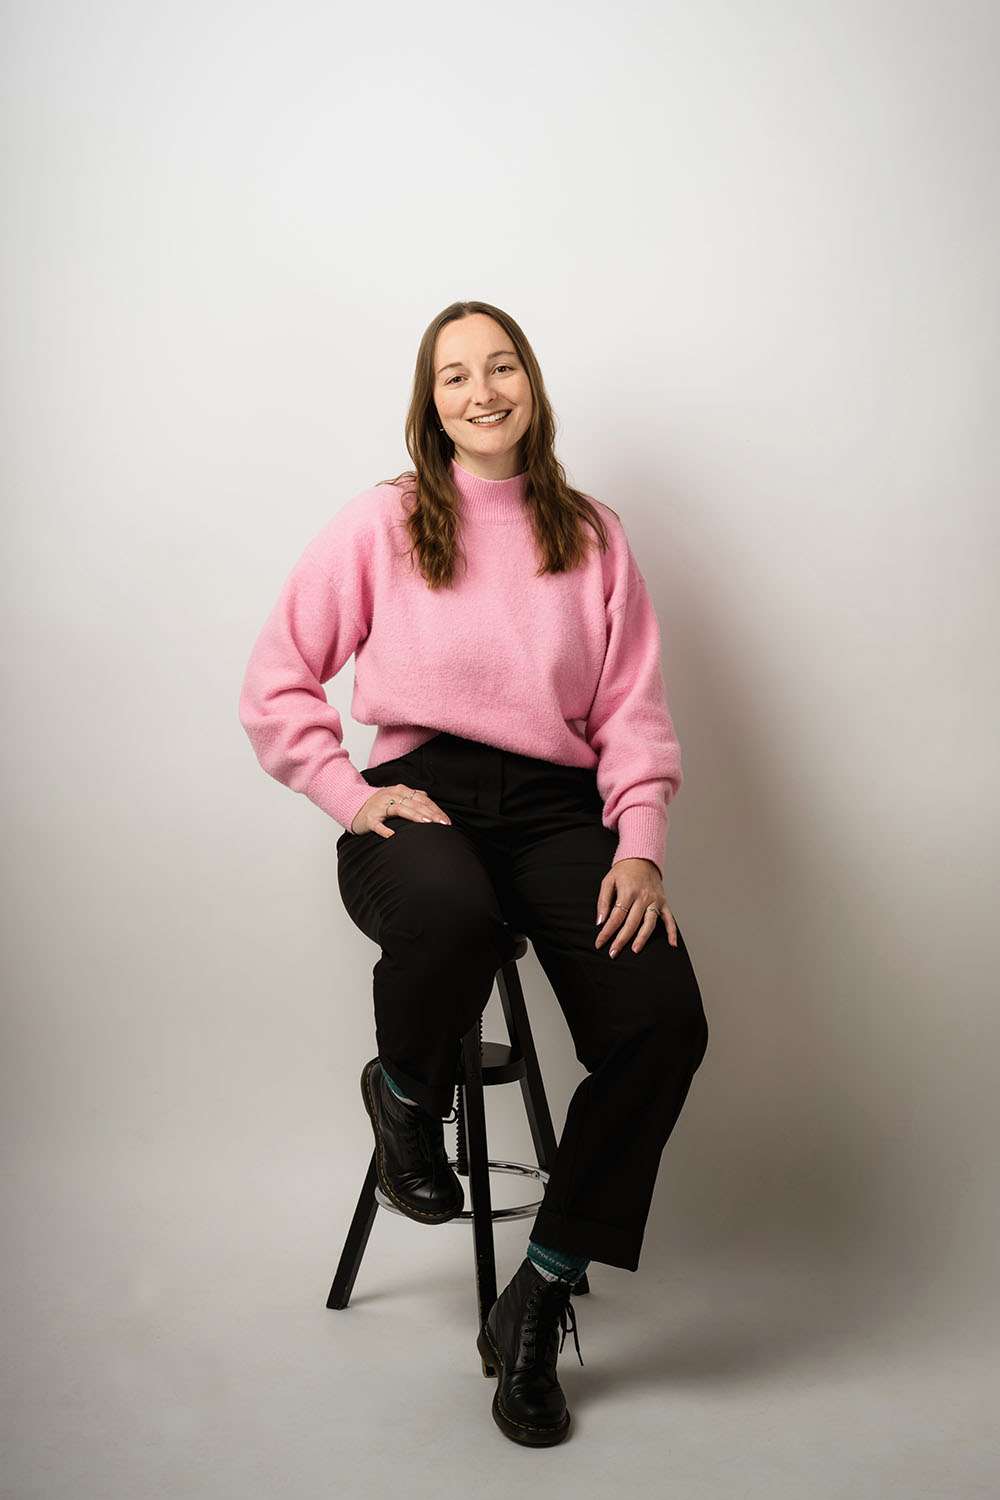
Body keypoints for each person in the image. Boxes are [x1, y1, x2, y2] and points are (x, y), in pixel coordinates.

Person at [238, 300, 709, 1447]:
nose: (482, 391)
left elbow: (631, 718)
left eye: (502, 367)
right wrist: (353, 795)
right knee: (450, 914)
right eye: (455, 376)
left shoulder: (593, 534)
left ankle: (536, 1296)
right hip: (424, 799)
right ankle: (404, 1102)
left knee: (663, 1020)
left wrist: (637, 844)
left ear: (532, 384)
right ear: (429, 400)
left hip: (556, 813)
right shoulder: (387, 521)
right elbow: (276, 679)